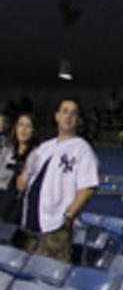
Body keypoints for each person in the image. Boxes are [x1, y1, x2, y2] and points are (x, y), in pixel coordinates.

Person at [15, 99, 98, 263]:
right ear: (57, 116)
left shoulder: (82, 149)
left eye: (73, 113)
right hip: (30, 225)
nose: (68, 116)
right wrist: (25, 173)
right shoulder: (44, 148)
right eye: (65, 111)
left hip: (55, 227)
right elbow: (21, 186)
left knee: (48, 280)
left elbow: (88, 188)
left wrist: (67, 217)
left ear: (78, 120)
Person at [0, 113, 37, 223]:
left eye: (28, 126)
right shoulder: (6, 148)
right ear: (15, 128)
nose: (23, 129)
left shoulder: (37, 154)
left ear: (34, 130)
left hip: (19, 208)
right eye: (21, 125)